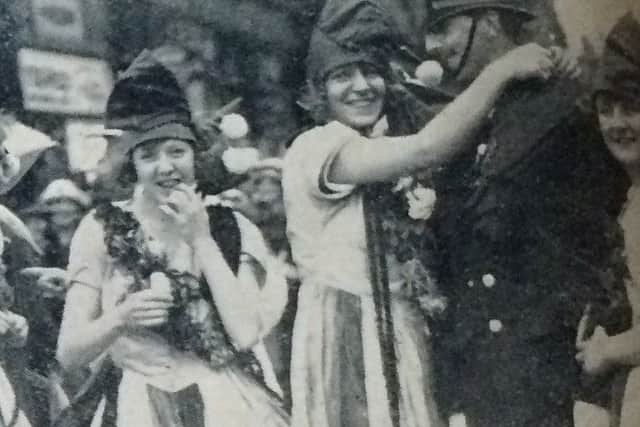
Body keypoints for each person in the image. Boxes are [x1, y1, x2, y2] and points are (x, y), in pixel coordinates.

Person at [282, 1, 573, 427]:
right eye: (342, 76)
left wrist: (555, 70)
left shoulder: (383, 139)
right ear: (318, 89)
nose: (361, 86)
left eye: (371, 71)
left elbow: (459, 123)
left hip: (402, 325)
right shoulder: (317, 146)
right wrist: (504, 68)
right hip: (348, 328)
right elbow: (429, 146)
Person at [55, 50, 289, 427]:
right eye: (148, 155)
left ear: (195, 156)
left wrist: (201, 239)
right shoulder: (99, 227)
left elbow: (245, 334)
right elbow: (68, 353)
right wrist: (119, 318)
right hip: (138, 404)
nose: (165, 166)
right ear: (134, 165)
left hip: (224, 403)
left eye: (177, 151)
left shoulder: (231, 225)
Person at [423, 1, 619, 426]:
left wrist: (591, 389)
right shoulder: (464, 121)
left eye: (444, 28)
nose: (432, 45)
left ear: (490, 22)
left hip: (553, 375)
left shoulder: (567, 111)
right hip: (485, 379)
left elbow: (606, 248)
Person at [576, 12, 640, 427]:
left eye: (632, 108)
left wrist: (608, 351)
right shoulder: (629, 199)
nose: (616, 123)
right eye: (606, 108)